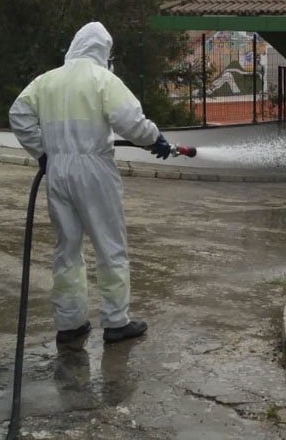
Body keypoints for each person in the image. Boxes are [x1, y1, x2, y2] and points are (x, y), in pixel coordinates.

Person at [9, 22, 171, 344]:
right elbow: (130, 121)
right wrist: (154, 139)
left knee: (66, 248)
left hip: (58, 171)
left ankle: (69, 323)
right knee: (109, 244)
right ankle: (116, 321)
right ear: (103, 50)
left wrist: (43, 152)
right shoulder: (102, 79)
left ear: (75, 45)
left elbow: (18, 115)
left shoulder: (46, 81)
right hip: (94, 168)